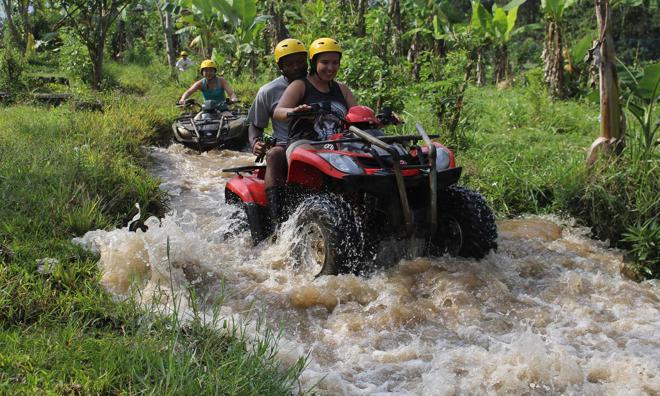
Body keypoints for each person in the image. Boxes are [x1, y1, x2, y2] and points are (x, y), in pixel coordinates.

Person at [248, 38, 309, 226]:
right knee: (274, 154)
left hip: (323, 141)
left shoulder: (320, 82)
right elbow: (255, 124)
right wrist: (255, 142)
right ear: (281, 67)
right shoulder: (268, 91)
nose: (297, 67)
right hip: (286, 144)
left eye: (300, 61)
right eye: (290, 64)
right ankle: (278, 220)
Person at [273, 37, 357, 146]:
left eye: (335, 63)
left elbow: (357, 118)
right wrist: (295, 112)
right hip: (304, 144)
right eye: (325, 62)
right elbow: (278, 112)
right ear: (313, 63)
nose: (330, 68)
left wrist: (379, 120)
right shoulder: (299, 85)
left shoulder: (343, 89)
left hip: (339, 144)